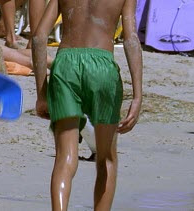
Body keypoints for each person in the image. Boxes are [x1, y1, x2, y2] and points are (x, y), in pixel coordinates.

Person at [32, 0, 142, 210]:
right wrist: (137, 96)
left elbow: (38, 38)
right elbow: (131, 40)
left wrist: (41, 93)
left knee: (65, 157)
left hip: (65, 66)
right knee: (106, 158)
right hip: (103, 67)